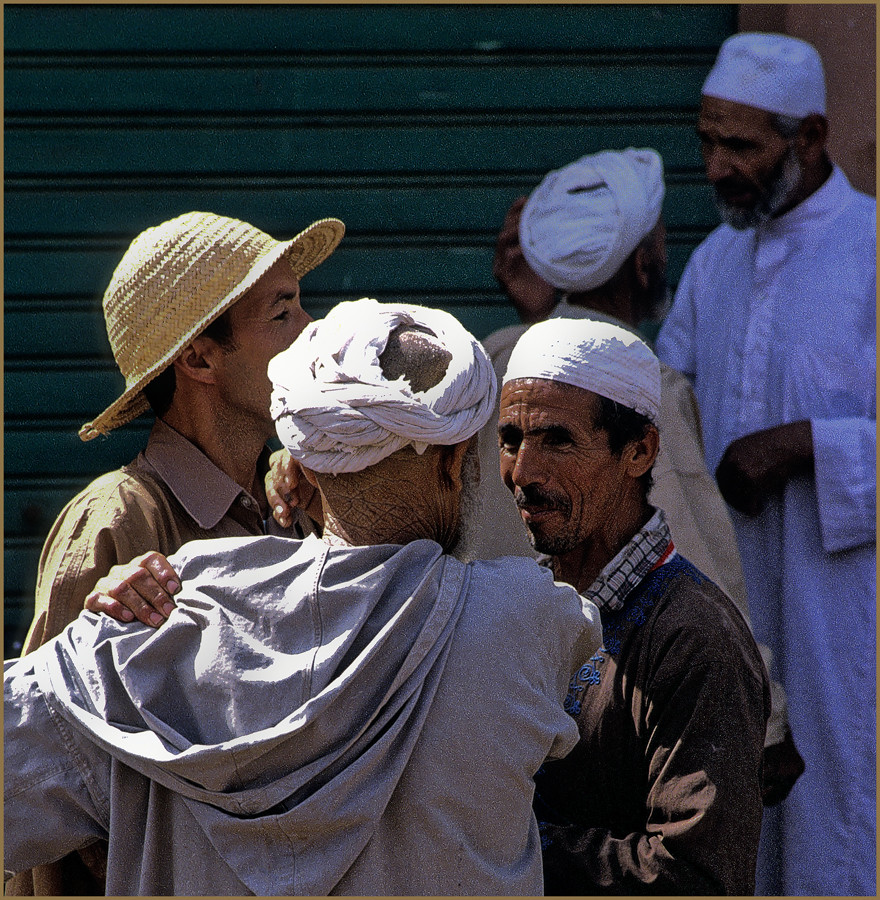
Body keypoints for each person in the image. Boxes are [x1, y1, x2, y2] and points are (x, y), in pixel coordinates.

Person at [4, 298, 603, 897]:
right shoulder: (532, 622)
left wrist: (102, 635)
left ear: (306, 462)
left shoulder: (154, 624)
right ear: (455, 462)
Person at [7, 210, 344, 897]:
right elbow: (45, 781)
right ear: (198, 359)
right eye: (282, 312)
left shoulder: (294, 501)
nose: (313, 328)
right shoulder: (118, 522)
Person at [472, 148, 802, 803]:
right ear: (644, 263)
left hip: (492, 707)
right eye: (658, 243)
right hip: (603, 721)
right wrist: (765, 720)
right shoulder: (645, 390)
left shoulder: (493, 363)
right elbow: (696, 564)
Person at [655, 33, 876, 897]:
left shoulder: (872, 250)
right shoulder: (715, 263)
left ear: (811, 138)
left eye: (741, 146)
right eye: (708, 142)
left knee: (841, 795)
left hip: (847, 608)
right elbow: (670, 409)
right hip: (736, 596)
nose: (716, 167)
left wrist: (803, 445)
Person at [497, 317, 770, 894]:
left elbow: (696, 876)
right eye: (511, 440)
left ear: (639, 452)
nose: (522, 473)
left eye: (556, 440)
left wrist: (504, 842)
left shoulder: (696, 637)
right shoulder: (522, 604)